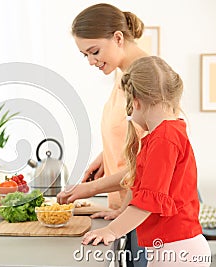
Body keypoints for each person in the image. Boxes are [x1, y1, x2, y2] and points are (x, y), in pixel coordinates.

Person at [81, 56, 211, 266]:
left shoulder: (164, 139)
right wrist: (121, 212)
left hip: (177, 252)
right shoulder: (166, 133)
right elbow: (142, 185)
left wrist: (112, 231)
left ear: (136, 102)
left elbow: (148, 202)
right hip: (175, 249)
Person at [57, 3, 148, 266]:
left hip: (142, 218)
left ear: (118, 38)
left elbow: (148, 161)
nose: (90, 61)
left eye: (94, 51)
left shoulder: (144, 78)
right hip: (126, 210)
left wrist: (88, 189)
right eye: (85, 55)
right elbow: (133, 137)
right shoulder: (124, 76)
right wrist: (104, 157)